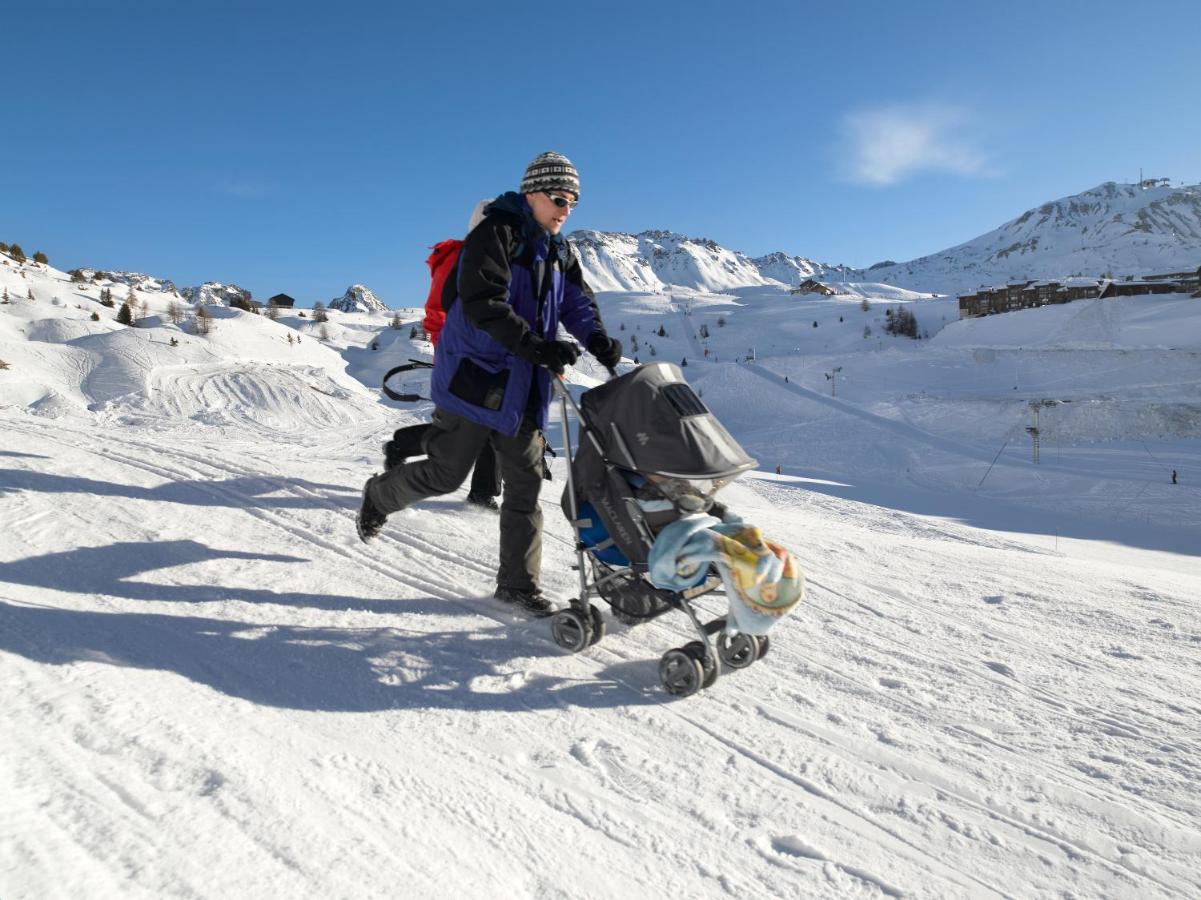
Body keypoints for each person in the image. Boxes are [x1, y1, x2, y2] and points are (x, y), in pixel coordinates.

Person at [357, 152, 622, 614]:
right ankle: (379, 495)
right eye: (560, 198)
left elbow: (577, 303)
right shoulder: (495, 234)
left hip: (525, 386)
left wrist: (597, 339)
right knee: (445, 473)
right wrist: (537, 347)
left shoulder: (560, 251)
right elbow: (484, 303)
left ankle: (517, 585)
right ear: (533, 195)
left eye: (574, 203)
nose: (566, 209)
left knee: (524, 485)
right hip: (476, 379)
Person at [382, 205, 502, 511]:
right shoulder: (459, 260)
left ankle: (483, 493)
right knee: (463, 428)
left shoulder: (506, 262)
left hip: (494, 358)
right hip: (462, 358)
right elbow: (436, 313)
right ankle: (402, 444)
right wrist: (449, 354)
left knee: (493, 423)